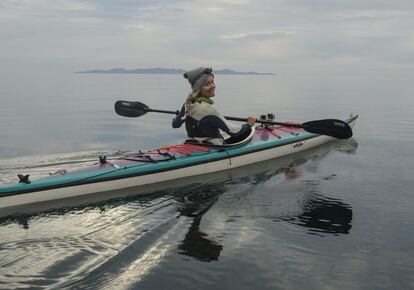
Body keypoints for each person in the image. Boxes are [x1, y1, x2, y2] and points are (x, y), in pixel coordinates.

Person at [172, 67, 256, 145]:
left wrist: (178, 115)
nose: (212, 86)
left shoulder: (188, 104)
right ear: (198, 89)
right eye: (207, 84)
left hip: (192, 144)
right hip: (216, 147)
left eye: (212, 82)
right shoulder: (209, 109)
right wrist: (249, 124)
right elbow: (233, 131)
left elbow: (175, 124)